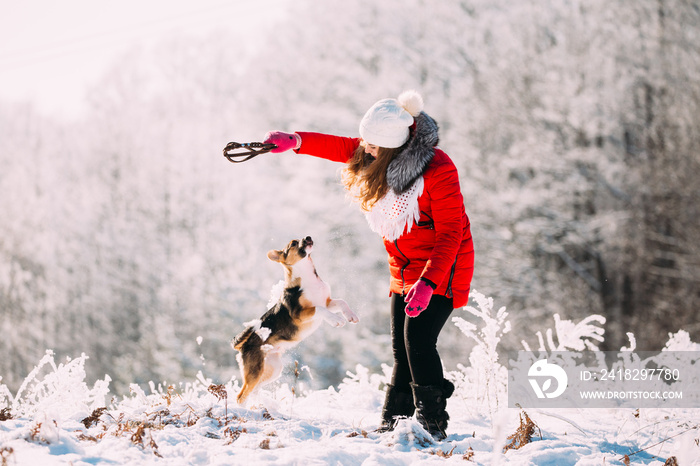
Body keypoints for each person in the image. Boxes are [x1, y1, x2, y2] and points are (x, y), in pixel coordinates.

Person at [263, 90, 474, 440]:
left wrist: (428, 283)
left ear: (393, 146)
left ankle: (433, 426)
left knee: (418, 342)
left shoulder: (437, 170)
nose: (364, 148)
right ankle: (394, 424)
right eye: (364, 140)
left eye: (372, 144)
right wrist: (297, 141)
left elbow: (451, 235)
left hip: (442, 268)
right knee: (401, 350)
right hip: (404, 270)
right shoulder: (374, 152)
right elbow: (339, 147)